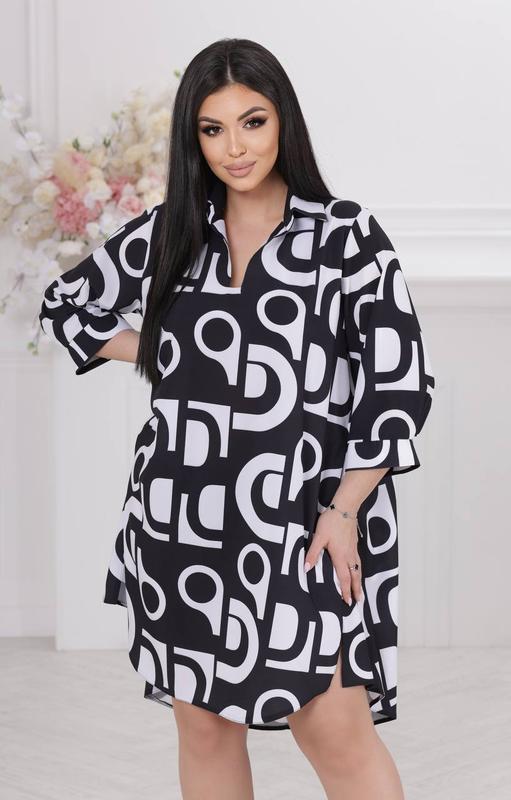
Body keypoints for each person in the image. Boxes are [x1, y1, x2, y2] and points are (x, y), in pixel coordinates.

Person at [39, 37, 435, 800]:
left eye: (252, 122)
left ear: (282, 120)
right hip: (180, 518)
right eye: (212, 129)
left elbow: (398, 387)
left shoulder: (343, 237)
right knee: (204, 727)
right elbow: (67, 307)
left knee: (332, 727)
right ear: (193, 138)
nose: (235, 147)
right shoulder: (173, 231)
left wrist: (344, 510)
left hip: (306, 517)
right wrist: (165, 349)